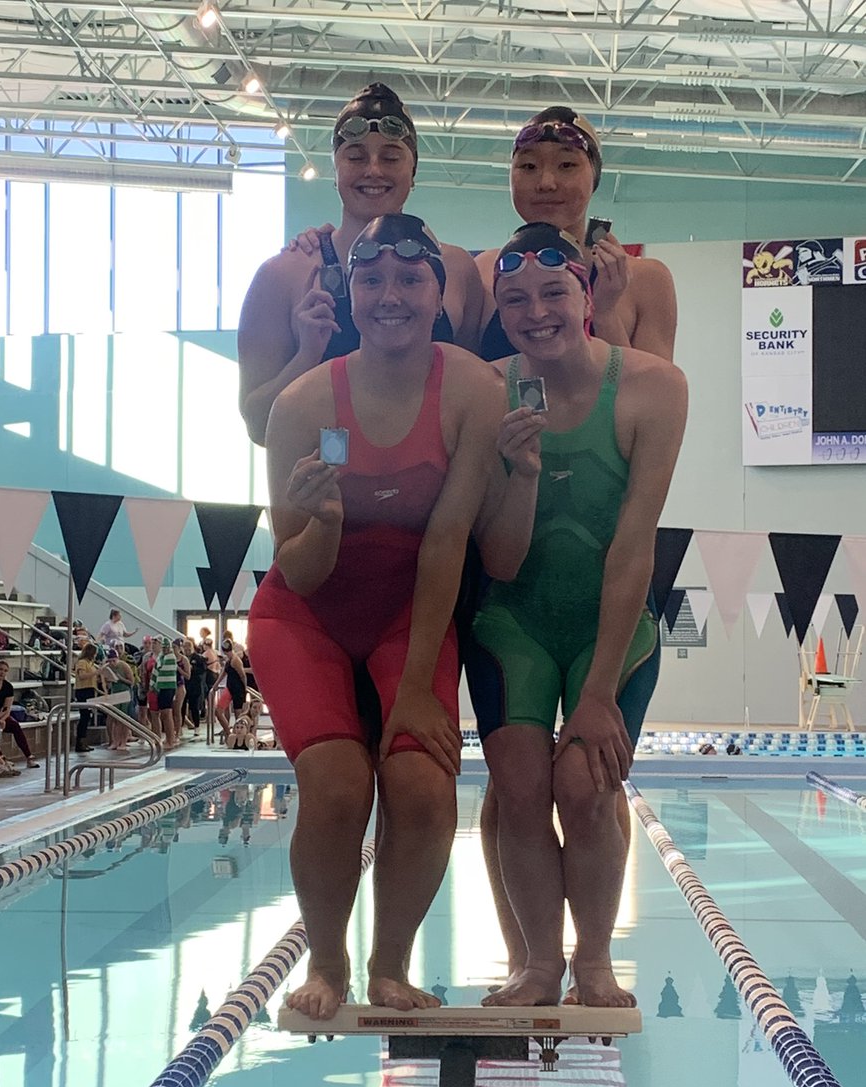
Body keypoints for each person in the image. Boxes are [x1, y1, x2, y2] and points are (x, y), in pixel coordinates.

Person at [247, 213, 502, 1020]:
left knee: (425, 787)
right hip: (306, 613)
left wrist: (422, 687)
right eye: (371, 281)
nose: (389, 295)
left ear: (438, 295)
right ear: (350, 295)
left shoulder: (471, 389)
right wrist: (321, 522)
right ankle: (327, 963)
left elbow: (449, 540)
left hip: (409, 610)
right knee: (335, 784)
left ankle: (390, 964)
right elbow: (298, 569)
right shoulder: (300, 404)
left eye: (409, 279)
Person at [467, 223, 686, 1008]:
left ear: (587, 297)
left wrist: (597, 696)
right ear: (500, 311)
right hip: (511, 622)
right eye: (515, 298)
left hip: (614, 626)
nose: (537, 311)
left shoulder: (653, 387)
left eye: (554, 292)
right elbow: (497, 561)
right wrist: (519, 473)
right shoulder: (485, 390)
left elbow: (634, 548)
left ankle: (593, 957)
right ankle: (537, 962)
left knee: (586, 785)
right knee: (521, 788)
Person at [238, 81, 484, 445]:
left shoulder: (457, 269)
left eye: (390, 157)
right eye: (354, 157)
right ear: (335, 169)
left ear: (413, 170)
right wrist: (307, 355)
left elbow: (472, 403)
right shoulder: (285, 275)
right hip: (324, 497)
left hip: (435, 495)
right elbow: (259, 426)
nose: (372, 170)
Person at [475, 108, 677, 364]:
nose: (546, 182)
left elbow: (657, 399)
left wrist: (605, 313)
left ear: (595, 177)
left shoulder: (646, 281)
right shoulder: (483, 273)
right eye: (528, 166)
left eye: (566, 165)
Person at [0, 659, 40, 767]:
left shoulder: (8, 687)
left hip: (1, 715)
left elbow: (7, 707)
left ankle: (29, 756)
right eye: (0, 669)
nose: (2, 672)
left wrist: (2, 718)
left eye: (5, 670)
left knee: (15, 726)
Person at [214, 638, 248, 742]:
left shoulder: (235, 660)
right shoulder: (229, 660)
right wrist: (216, 685)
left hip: (238, 689)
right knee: (218, 711)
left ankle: (240, 737)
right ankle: (228, 732)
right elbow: (224, 672)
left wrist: (245, 689)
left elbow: (243, 676)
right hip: (230, 688)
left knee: (238, 716)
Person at [151, 637, 178, 749]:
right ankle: (168, 738)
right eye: (164, 648)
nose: (165, 649)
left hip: (168, 688)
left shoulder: (170, 657)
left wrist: (154, 684)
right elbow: (156, 672)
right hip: (161, 688)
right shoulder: (161, 657)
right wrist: (153, 685)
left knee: (167, 714)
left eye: (167, 647)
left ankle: (170, 740)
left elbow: (160, 669)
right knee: (164, 714)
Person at [73, 642, 100, 753]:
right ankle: (80, 742)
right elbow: (82, 676)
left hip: (89, 689)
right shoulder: (82, 662)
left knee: (87, 716)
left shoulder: (91, 663)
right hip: (82, 690)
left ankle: (84, 740)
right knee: (84, 716)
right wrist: (95, 673)